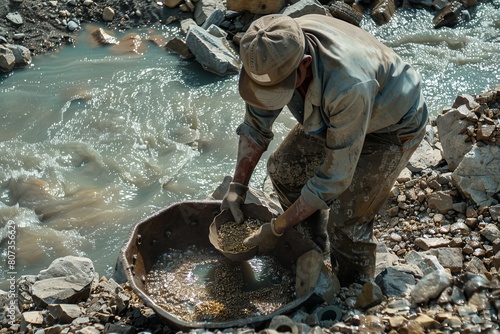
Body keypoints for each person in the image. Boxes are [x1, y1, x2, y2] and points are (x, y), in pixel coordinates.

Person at [221, 13, 428, 286]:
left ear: (304, 65)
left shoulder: (347, 84)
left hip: (391, 126)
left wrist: (277, 227)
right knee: (284, 171)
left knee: (346, 223)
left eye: (279, 90)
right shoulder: (270, 50)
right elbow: (255, 126)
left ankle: (353, 290)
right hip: (333, 115)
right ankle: (312, 250)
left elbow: (335, 178)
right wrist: (237, 188)